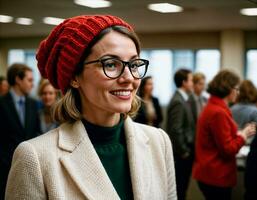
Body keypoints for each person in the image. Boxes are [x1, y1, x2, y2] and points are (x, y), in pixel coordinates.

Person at [5, 15, 177, 200]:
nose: (129, 78)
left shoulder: (159, 142)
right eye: (110, 64)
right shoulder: (36, 158)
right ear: (74, 77)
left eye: (134, 64)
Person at [192, 70, 256, 200]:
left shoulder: (214, 106)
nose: (238, 93)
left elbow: (218, 137)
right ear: (228, 89)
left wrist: (236, 133)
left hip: (210, 172)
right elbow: (227, 149)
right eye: (236, 89)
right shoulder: (218, 112)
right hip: (216, 175)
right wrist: (243, 135)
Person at [0, 63, 41, 199]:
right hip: (4, 169)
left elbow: (37, 133)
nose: (32, 84)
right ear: (18, 79)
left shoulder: (33, 104)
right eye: (29, 80)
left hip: (29, 168)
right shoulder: (1, 103)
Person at [166, 68, 195, 200]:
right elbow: (175, 130)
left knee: (183, 187)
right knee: (180, 189)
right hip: (181, 154)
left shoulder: (184, 99)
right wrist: (184, 151)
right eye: (191, 80)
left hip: (184, 151)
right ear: (184, 82)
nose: (193, 83)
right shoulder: (178, 100)